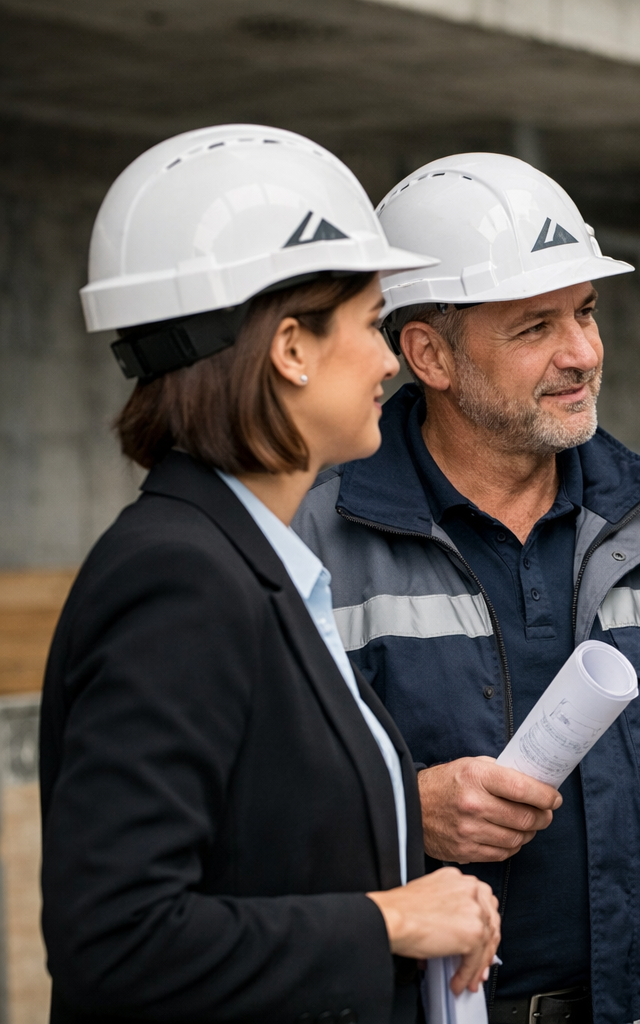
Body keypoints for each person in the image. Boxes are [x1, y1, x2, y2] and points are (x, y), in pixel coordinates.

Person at [293, 153, 640, 1024]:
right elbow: (243, 831)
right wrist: (402, 813)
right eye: (535, 327)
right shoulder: (312, 551)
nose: (583, 354)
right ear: (429, 354)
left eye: (586, 312)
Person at [41, 125, 502, 1024]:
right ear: (291, 349)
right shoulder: (179, 580)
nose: (388, 359)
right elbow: (116, 939)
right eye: (370, 323)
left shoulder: (250, 562)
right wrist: (389, 922)